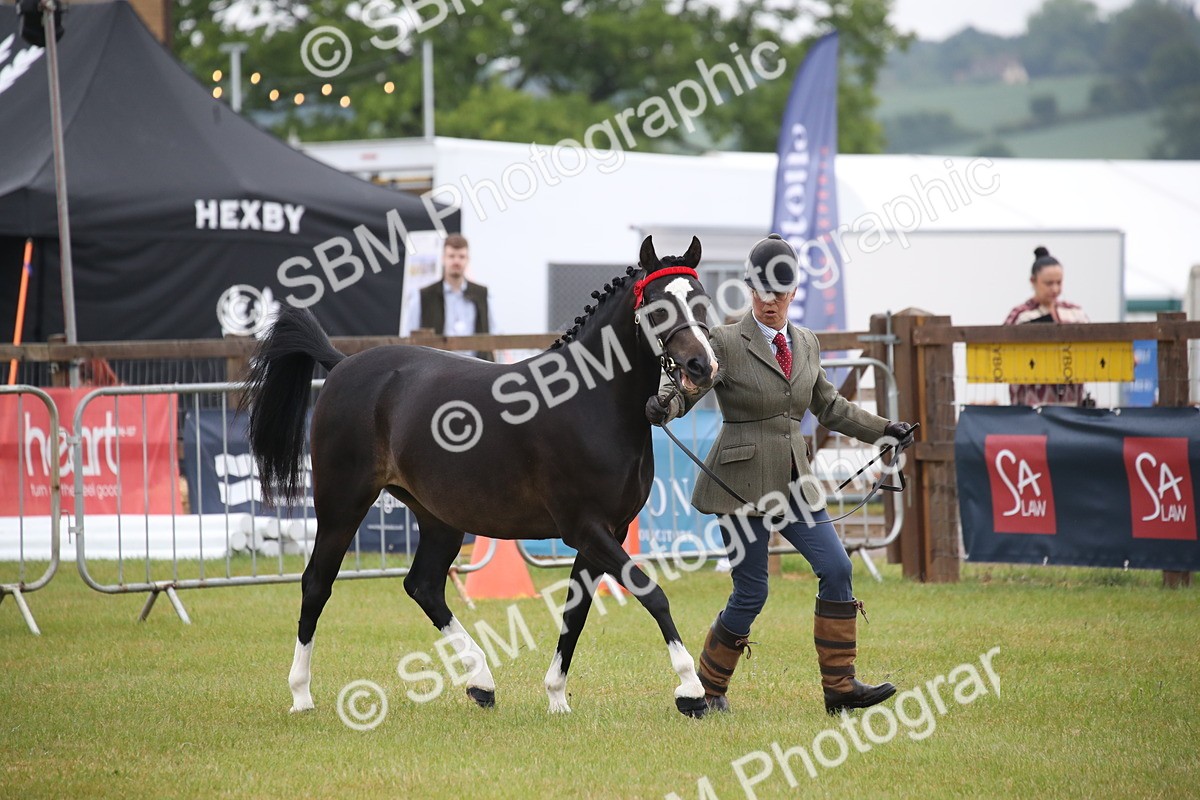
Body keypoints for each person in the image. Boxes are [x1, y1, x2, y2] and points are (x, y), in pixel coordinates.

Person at [645, 233, 915, 716]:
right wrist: (667, 404)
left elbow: (831, 406)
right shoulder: (725, 341)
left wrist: (883, 430)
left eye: (779, 293)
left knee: (837, 568)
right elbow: (689, 387)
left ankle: (840, 687)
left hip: (795, 481)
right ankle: (707, 690)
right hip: (739, 483)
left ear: (793, 293)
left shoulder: (806, 343)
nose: (769, 302)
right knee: (752, 591)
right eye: (761, 292)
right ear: (750, 290)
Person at [1003, 246, 1090, 406]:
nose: (1055, 289)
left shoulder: (1075, 313)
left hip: (1072, 404)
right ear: (1033, 281)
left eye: (1059, 282)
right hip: (1031, 404)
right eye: (1049, 283)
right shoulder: (1021, 315)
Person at [400, 233, 496, 361]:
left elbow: (494, 335)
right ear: (443, 258)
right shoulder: (423, 296)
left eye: (461, 256)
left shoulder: (482, 295)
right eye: (451, 256)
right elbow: (408, 338)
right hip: (437, 368)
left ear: (468, 259)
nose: (456, 261)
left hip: (477, 367)